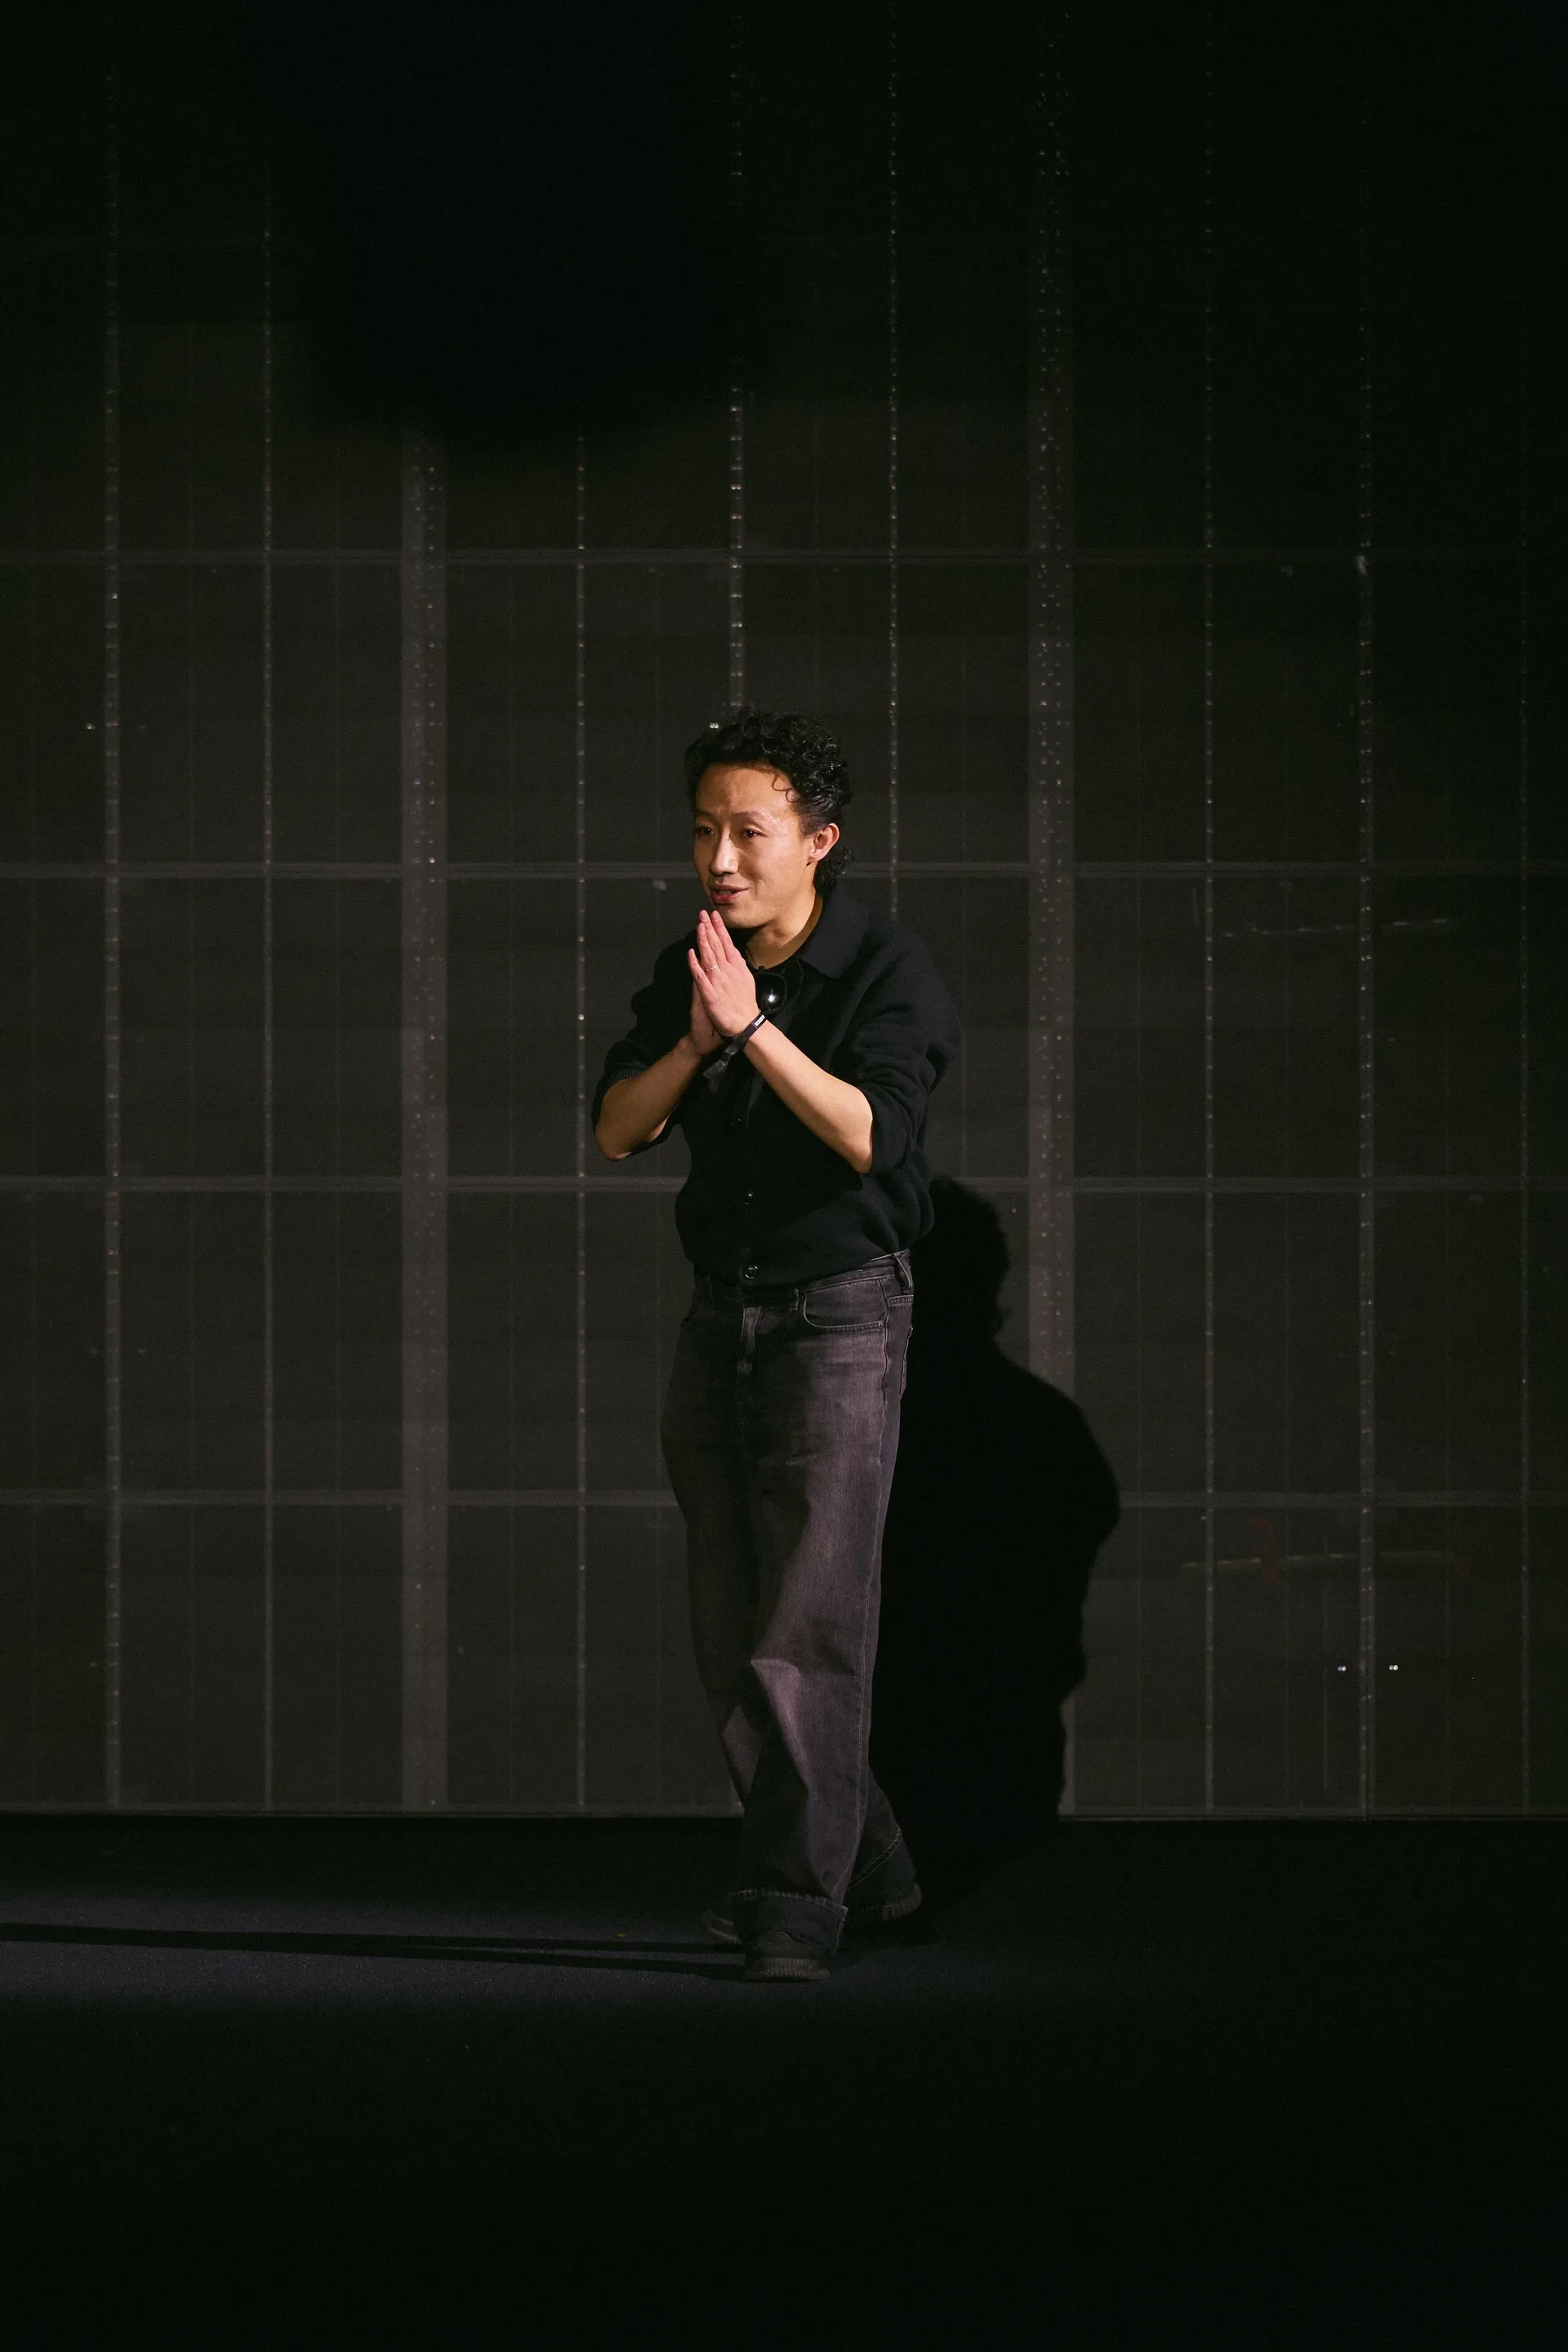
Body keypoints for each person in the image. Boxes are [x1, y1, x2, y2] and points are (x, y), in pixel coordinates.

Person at [592, 709, 961, 1981]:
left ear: (819, 841)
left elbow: (870, 1135)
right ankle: (875, 1863)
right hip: (721, 1316)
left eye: (748, 833)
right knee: (731, 1631)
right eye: (704, 832)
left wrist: (755, 1031)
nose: (721, 860)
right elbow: (618, 1129)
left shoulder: (885, 970)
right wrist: (698, 1038)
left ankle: (797, 1902)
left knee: (806, 1632)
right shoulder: (694, 967)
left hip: (839, 1320)